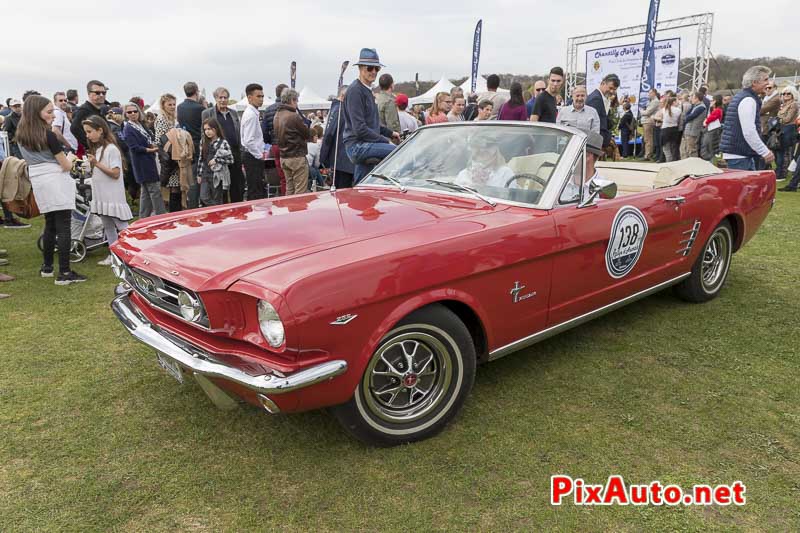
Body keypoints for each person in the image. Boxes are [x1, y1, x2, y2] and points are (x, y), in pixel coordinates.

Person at [16, 95, 86, 285]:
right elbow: (64, 165)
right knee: (64, 225)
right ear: (36, 113)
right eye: (49, 112)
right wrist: (71, 159)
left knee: (50, 223)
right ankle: (64, 272)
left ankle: (47, 267)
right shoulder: (48, 135)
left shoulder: (22, 135)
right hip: (55, 179)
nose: (53, 116)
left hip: (39, 181)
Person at [342, 48, 400, 183]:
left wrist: (391, 133)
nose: (373, 72)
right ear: (361, 68)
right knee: (399, 153)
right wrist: (385, 140)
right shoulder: (355, 91)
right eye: (369, 68)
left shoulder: (367, 90)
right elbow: (360, 128)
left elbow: (372, 123)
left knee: (362, 184)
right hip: (357, 146)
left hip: (365, 144)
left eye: (377, 68)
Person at [81, 115, 132, 265]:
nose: (87, 135)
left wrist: (96, 164)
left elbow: (115, 173)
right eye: (86, 132)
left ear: (100, 130)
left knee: (122, 227)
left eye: (90, 131)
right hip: (102, 195)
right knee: (108, 226)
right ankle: (114, 256)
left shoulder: (111, 149)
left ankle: (130, 253)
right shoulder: (98, 149)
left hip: (113, 196)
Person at [720, 66, 775, 171]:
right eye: (766, 79)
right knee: (744, 187)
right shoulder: (748, 100)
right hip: (740, 156)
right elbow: (749, 131)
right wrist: (764, 152)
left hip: (740, 154)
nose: (768, 83)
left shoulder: (743, 97)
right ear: (754, 82)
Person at [123, 102, 165, 218]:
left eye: (135, 111)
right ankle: (161, 217)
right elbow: (134, 148)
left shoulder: (140, 124)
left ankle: (143, 218)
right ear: (125, 114)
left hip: (148, 160)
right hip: (142, 163)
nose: (132, 114)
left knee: (146, 193)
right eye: (129, 112)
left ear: (139, 112)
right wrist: (150, 150)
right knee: (154, 190)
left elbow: (147, 139)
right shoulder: (128, 128)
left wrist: (151, 146)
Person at [202, 87, 244, 202]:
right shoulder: (208, 113)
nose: (223, 100)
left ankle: (238, 212)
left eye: (225, 97)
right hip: (217, 154)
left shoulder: (234, 113)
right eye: (220, 97)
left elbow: (238, 132)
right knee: (221, 188)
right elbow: (204, 134)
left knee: (237, 186)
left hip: (234, 153)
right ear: (215, 98)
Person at [273, 88, 311, 195]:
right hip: (296, 156)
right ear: (292, 100)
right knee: (300, 190)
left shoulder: (277, 115)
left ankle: (290, 210)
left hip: (284, 157)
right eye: (296, 100)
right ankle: (298, 211)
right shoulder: (293, 116)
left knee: (289, 188)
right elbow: (306, 134)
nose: (297, 103)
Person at [320, 85, 355, 188]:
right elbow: (329, 134)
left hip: (342, 159)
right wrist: (323, 158)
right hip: (341, 160)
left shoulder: (340, 108)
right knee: (342, 191)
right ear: (343, 96)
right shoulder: (339, 109)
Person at [177, 82, 204, 208]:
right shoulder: (199, 108)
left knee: (188, 177)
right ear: (197, 91)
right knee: (196, 177)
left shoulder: (180, 107)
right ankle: (194, 205)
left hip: (184, 145)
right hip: (197, 144)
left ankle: (190, 204)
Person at [561, 131, 607, 202]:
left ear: (587, 156)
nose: (566, 157)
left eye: (571, 152)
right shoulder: (559, 182)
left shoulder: (605, 188)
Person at [198, 118, 234, 205]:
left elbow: (231, 160)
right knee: (204, 197)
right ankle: (217, 209)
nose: (207, 131)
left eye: (209, 129)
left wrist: (217, 160)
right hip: (205, 174)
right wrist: (199, 174)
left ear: (216, 128)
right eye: (205, 129)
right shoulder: (203, 141)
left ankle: (217, 213)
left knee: (217, 197)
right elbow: (201, 159)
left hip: (217, 175)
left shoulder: (223, 142)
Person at [154, 94, 181, 211]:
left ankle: (176, 212)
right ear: (163, 105)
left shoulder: (173, 118)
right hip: (168, 157)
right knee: (173, 187)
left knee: (177, 187)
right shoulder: (161, 119)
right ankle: (173, 214)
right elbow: (160, 139)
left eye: (174, 104)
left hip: (176, 155)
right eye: (169, 104)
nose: (172, 106)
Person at [240, 83, 266, 200]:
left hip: (252, 155)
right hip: (252, 157)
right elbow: (249, 141)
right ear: (250, 98)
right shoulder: (251, 115)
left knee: (256, 188)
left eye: (262, 96)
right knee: (256, 190)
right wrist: (259, 155)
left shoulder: (252, 113)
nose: (261, 99)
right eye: (258, 96)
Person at [70, 80, 107, 150]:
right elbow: (74, 128)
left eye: (104, 93)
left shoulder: (99, 110)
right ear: (89, 94)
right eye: (97, 93)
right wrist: (91, 145)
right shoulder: (84, 110)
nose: (101, 95)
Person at [586, 73, 620, 148]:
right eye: (610, 88)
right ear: (603, 83)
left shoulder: (603, 98)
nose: (612, 91)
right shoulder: (596, 99)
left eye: (614, 89)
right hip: (593, 141)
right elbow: (595, 123)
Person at [775, 86, 799, 180]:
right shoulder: (783, 105)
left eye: (788, 93)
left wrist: (778, 119)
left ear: (793, 94)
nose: (785, 95)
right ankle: (781, 171)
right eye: (784, 93)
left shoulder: (794, 104)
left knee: (787, 152)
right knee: (780, 151)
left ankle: (783, 173)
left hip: (790, 129)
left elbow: (788, 119)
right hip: (782, 129)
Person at [680, 92, 707, 159]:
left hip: (692, 132)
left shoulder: (701, 107)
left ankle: (693, 167)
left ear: (697, 98)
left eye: (692, 97)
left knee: (691, 151)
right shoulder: (695, 106)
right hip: (688, 131)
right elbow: (687, 115)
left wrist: (686, 117)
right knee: (684, 149)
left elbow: (689, 117)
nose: (691, 99)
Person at [701, 95, 724, 161]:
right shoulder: (714, 109)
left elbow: (712, 118)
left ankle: (711, 160)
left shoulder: (718, 110)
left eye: (713, 100)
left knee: (710, 146)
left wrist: (706, 121)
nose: (711, 102)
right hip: (710, 129)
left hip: (713, 129)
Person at [660, 96, 682, 162]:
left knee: (666, 149)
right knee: (674, 148)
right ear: (673, 102)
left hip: (665, 130)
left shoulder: (664, 109)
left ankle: (668, 161)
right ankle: (673, 161)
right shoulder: (678, 110)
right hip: (674, 129)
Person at [641, 89, 660, 160]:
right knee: (647, 139)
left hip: (649, 122)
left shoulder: (655, 101)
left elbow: (647, 112)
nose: (648, 94)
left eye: (650, 93)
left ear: (654, 93)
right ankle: (647, 154)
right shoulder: (651, 101)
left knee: (648, 139)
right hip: (646, 121)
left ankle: (648, 155)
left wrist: (642, 111)